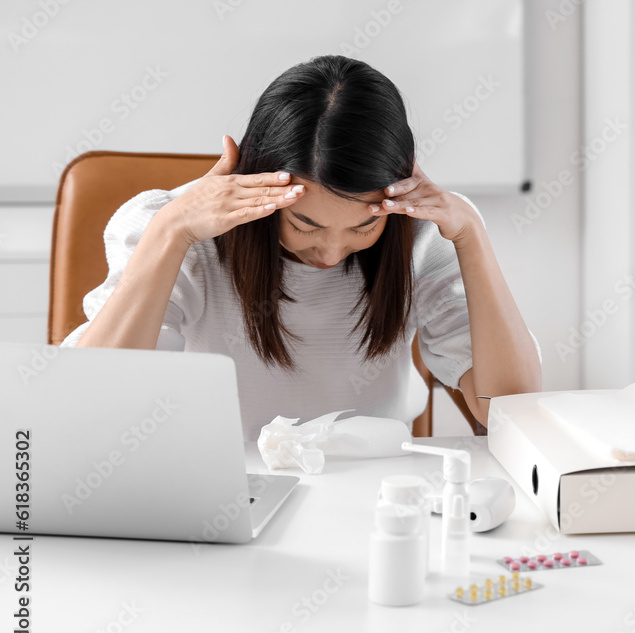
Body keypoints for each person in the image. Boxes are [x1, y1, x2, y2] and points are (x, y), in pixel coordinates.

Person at [60, 54, 542, 443]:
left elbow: (508, 412)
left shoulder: (417, 235)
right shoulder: (175, 230)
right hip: (217, 490)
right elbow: (90, 403)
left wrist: (472, 236)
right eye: (305, 224)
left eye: (361, 227)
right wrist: (169, 233)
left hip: (371, 490)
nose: (332, 253)